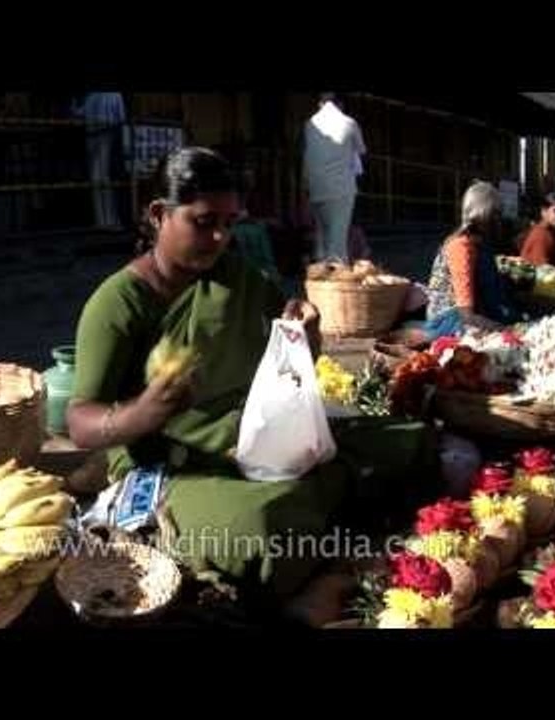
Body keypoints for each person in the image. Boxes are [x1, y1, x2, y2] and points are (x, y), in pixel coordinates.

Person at [66, 147, 433, 622]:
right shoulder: (119, 302)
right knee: (264, 524)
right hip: (171, 463)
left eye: (229, 221)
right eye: (203, 221)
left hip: (252, 437)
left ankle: (323, 526)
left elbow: (284, 354)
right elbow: (79, 421)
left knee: (408, 441)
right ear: (159, 215)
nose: (220, 236)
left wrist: (306, 333)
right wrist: (143, 413)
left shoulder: (236, 278)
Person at [420, 181, 519, 341]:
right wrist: (506, 330)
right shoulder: (461, 247)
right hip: (449, 319)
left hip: (472, 311)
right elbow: (466, 314)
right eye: (495, 214)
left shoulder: (481, 243)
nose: (499, 221)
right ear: (483, 214)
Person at [302, 94, 366, 263]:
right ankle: (337, 278)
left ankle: (319, 273)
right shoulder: (349, 122)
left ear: (320, 104)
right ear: (341, 105)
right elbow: (362, 149)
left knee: (321, 235)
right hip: (341, 188)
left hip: (316, 187)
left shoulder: (310, 124)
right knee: (338, 238)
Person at [71, 92, 130, 228]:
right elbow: (122, 120)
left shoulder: (91, 96)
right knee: (106, 178)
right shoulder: (115, 95)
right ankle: (110, 220)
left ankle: (102, 221)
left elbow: (77, 113)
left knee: (97, 179)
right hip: (108, 137)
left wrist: (72, 102)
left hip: (93, 137)